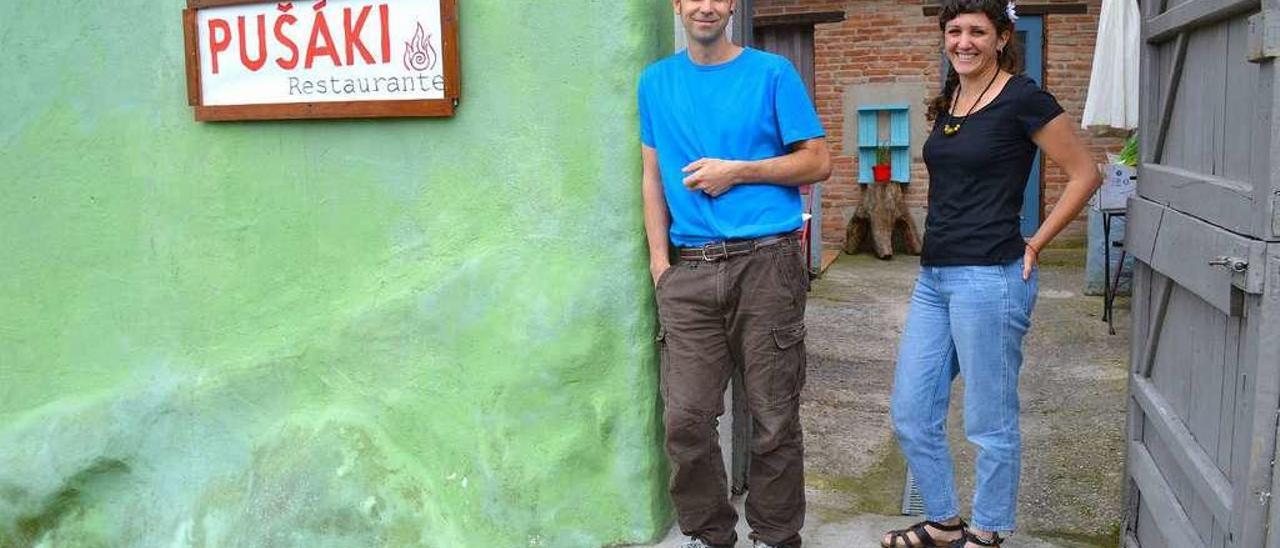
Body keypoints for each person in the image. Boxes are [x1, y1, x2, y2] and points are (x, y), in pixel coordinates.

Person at [879, 1, 1101, 547]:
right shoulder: (952, 97)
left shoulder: (1024, 98)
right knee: (911, 412)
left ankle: (989, 530)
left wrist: (1038, 241)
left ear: (1003, 37)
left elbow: (1085, 173)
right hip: (935, 278)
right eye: (953, 31)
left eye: (977, 31)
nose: (964, 42)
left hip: (990, 279)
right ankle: (945, 520)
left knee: (988, 421)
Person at [638, 1, 832, 546]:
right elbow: (651, 177)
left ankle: (774, 536)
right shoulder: (655, 83)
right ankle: (708, 533)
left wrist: (739, 171)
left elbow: (817, 161)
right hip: (690, 272)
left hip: (767, 264)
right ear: (678, 4)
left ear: (730, 5)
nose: (706, 5)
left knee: (773, 419)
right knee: (687, 422)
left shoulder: (772, 74)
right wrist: (660, 265)